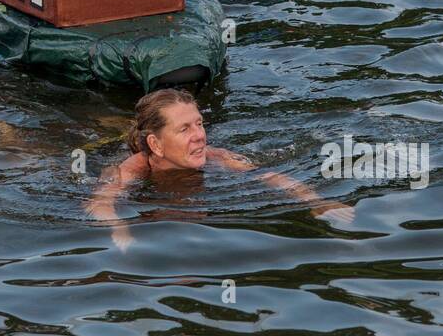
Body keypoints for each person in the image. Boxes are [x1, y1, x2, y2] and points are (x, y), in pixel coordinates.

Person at [87, 89, 354, 251]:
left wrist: (317, 201)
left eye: (199, 124)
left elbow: (268, 176)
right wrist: (119, 228)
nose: (200, 136)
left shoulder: (219, 157)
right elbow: (100, 203)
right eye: (184, 129)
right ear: (155, 144)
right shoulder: (127, 170)